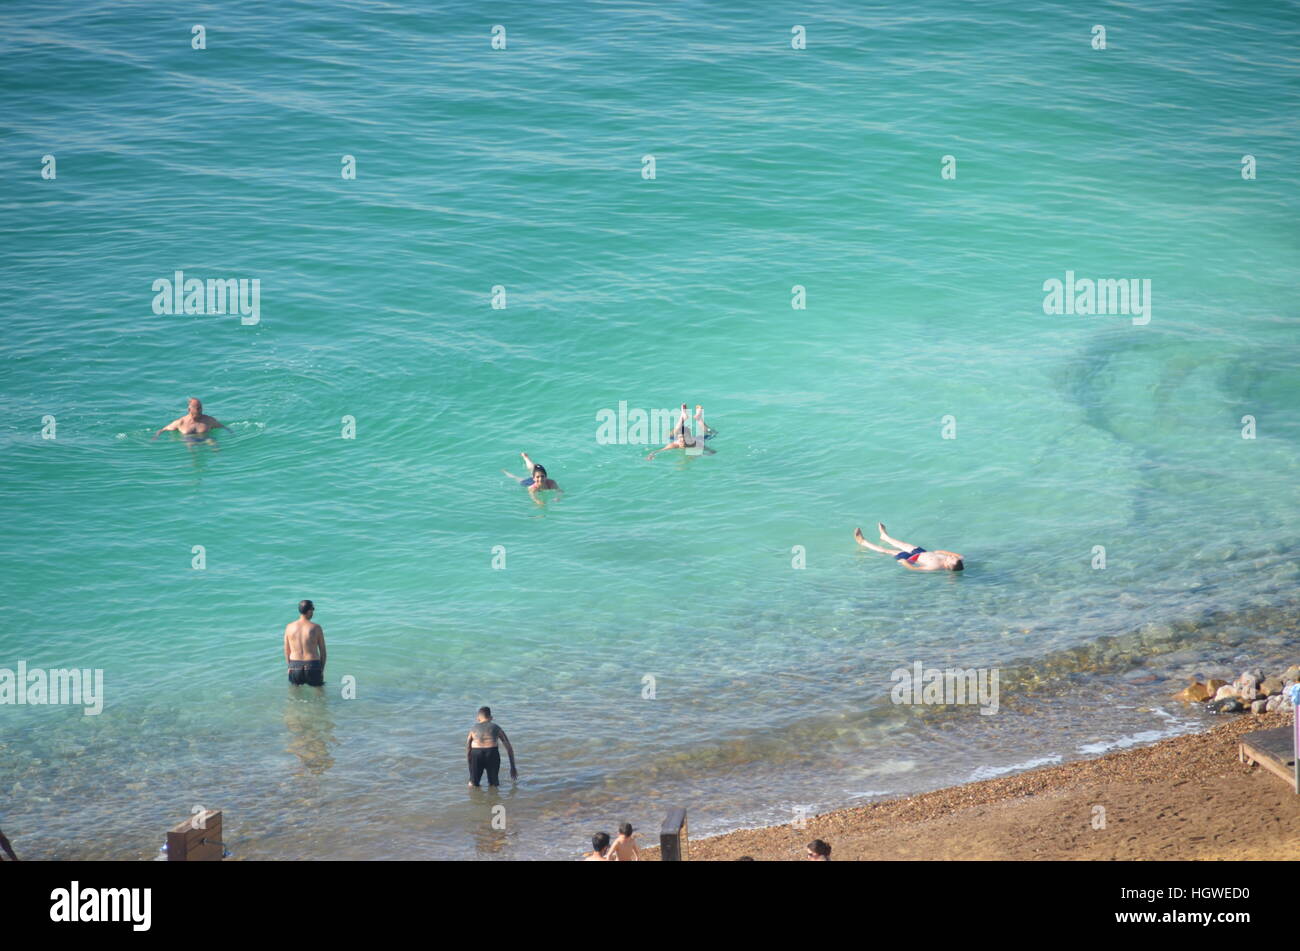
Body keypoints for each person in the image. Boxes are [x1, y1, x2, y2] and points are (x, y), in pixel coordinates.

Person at [854, 523, 964, 571]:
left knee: (888, 551)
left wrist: (904, 562)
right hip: (922, 552)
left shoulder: (934, 567)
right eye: (953, 557)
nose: (952, 557)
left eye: (952, 559)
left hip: (911, 559)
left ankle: (863, 542)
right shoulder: (951, 559)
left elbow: (916, 569)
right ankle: (885, 536)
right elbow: (960, 556)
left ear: (948, 565)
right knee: (903, 544)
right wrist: (942, 551)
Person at [466, 706, 518, 787]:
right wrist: (513, 767)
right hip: (492, 753)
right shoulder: (496, 728)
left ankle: (473, 798)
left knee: (473, 783)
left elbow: (468, 746)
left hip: (476, 754)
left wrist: (470, 763)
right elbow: (509, 748)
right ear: (491, 718)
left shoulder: (473, 729)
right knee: (494, 784)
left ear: (478, 718)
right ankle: (493, 798)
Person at [646, 404, 717, 460]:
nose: (682, 440)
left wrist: (697, 455)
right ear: (677, 438)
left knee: (711, 433)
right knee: (670, 434)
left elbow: (712, 452)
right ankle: (682, 416)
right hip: (679, 438)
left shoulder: (695, 444)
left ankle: (699, 419)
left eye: (684, 438)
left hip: (699, 439)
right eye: (680, 438)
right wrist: (651, 455)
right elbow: (658, 451)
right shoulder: (674, 444)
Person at [284, 600, 327, 687]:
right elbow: (323, 652)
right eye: (313, 609)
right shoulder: (316, 628)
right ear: (309, 611)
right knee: (319, 693)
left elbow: (286, 650)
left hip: (294, 666)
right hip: (313, 665)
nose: (313, 612)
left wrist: (289, 666)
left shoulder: (289, 627)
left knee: (294, 695)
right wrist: (321, 669)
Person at [152, 398, 228, 442]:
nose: (200, 410)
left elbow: (221, 426)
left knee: (213, 443)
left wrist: (231, 432)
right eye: (197, 408)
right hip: (190, 441)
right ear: (189, 409)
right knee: (190, 444)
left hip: (206, 439)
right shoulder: (181, 422)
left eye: (200, 408)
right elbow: (163, 429)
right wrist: (156, 436)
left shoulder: (209, 420)